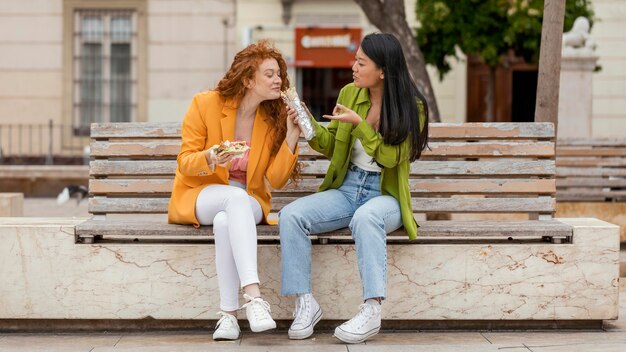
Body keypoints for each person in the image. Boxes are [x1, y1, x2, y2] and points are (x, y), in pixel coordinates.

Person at [279, 33, 429, 344]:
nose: (353, 67)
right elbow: (332, 144)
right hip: (348, 189)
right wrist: (306, 123)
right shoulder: (349, 93)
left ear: (383, 70)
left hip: (385, 197)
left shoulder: (413, 106)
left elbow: (390, 158)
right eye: (355, 60)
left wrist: (360, 124)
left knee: (365, 218)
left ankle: (372, 308)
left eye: (361, 62)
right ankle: (305, 303)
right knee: (290, 216)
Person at [167, 40, 301, 340]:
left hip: (247, 201)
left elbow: (276, 180)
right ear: (248, 79)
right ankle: (254, 297)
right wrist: (211, 157)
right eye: (269, 74)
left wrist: (292, 135)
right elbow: (185, 163)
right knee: (231, 201)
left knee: (229, 216)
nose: (278, 79)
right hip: (202, 194)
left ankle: (228, 315)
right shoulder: (205, 104)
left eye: (279, 73)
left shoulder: (271, 118)